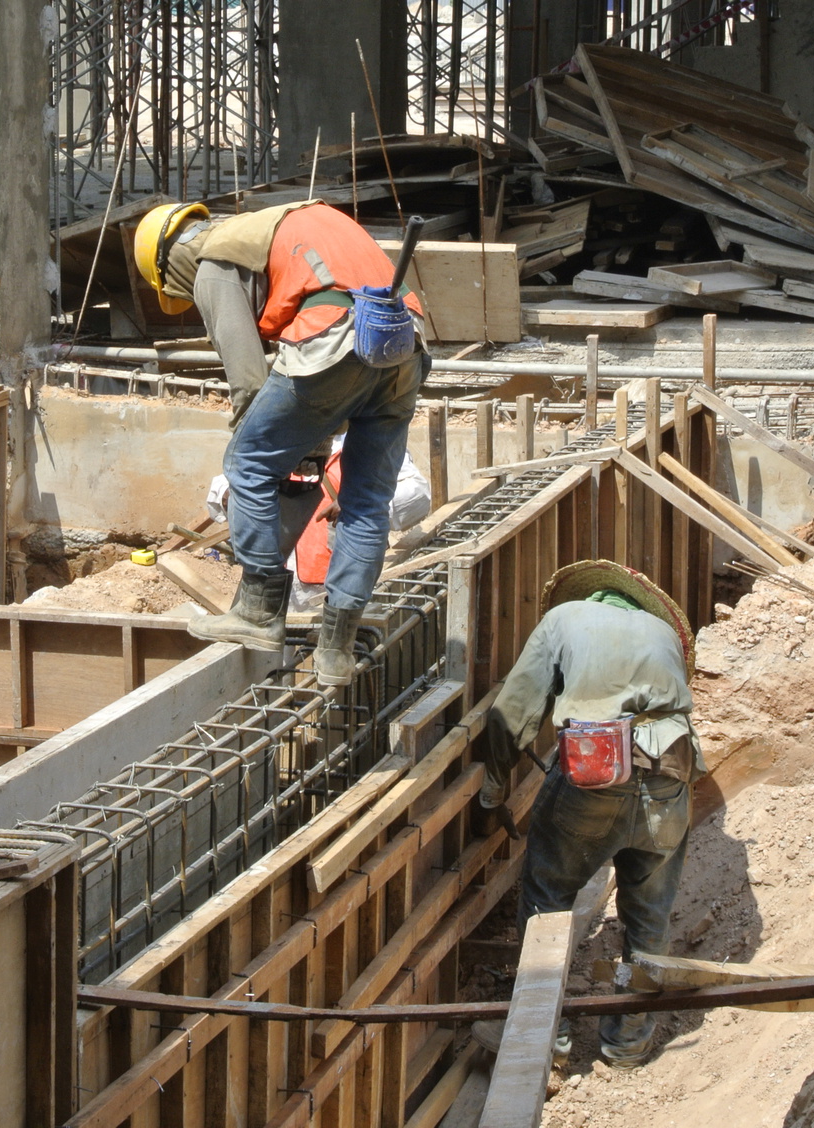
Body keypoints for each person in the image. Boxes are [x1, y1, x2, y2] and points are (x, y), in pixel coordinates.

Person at [133, 199, 430, 686]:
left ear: (171, 260)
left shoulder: (213, 260)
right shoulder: (281, 227)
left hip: (337, 336)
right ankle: (336, 649)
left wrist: (284, 446)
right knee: (367, 499)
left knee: (246, 462)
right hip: (403, 344)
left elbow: (249, 382)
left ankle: (256, 612)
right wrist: (305, 444)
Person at [475, 559, 701, 1069]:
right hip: (671, 774)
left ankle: (542, 1037)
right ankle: (627, 1042)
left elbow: (513, 713)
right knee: (649, 914)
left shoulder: (563, 620)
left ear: (588, 598)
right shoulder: (662, 631)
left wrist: (492, 792)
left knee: (549, 897)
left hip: (595, 771)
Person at [205, 434, 432, 612]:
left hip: (342, 588)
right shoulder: (280, 440)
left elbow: (419, 495)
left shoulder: (372, 442)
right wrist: (233, 495)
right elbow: (223, 486)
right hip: (273, 584)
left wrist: (363, 505)